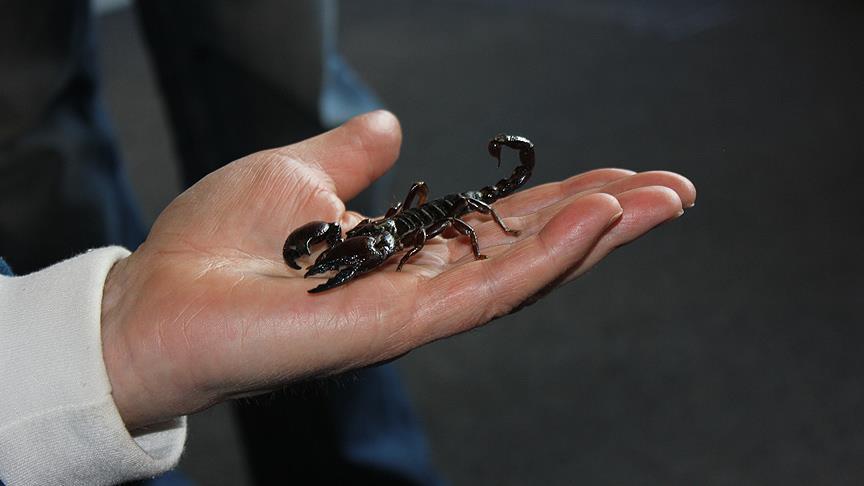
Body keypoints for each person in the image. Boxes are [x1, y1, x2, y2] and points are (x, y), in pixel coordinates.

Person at [0, 110, 697, 484]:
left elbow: (415, 237)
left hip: (431, 220)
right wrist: (114, 338)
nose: (347, 247)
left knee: (428, 222)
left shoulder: (414, 231)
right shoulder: (363, 233)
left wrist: (490, 232)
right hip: (403, 224)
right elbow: (362, 239)